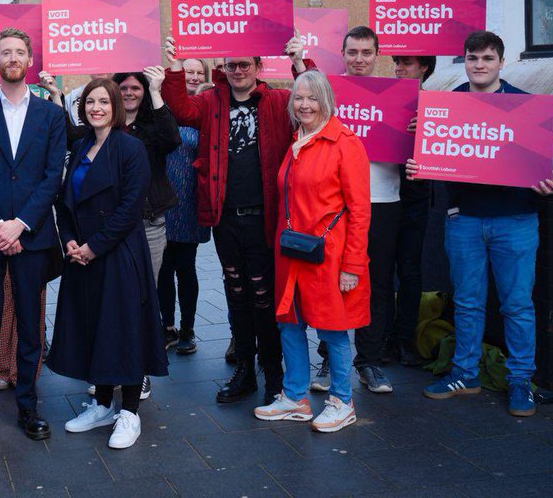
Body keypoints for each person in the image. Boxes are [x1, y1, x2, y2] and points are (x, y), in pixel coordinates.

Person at [412, 31, 553, 417]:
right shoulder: (447, 106)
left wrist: (551, 183)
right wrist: (420, 159)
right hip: (466, 221)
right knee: (467, 302)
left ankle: (520, 380)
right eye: (473, 57)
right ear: (464, 60)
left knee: (517, 306)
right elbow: (435, 158)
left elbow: (549, 163)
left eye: (487, 58)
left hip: (516, 220)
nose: (479, 64)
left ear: (501, 62)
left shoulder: (524, 107)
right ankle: (465, 373)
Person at [161, 35, 309, 405]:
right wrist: (175, 65)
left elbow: (314, 103)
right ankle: (244, 368)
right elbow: (179, 109)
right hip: (225, 217)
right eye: (232, 65)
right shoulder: (212, 101)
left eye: (245, 65)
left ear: (259, 68)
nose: (238, 71)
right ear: (223, 69)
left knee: (264, 296)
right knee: (236, 293)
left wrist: (300, 63)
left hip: (265, 217)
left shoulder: (277, 100)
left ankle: (273, 376)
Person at [0, 28, 66, 451]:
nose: (13, 57)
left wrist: (20, 224)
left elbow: (50, 176)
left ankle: (28, 405)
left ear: (30, 59)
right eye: (6, 52)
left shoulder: (51, 116)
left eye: (20, 52)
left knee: (30, 325)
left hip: (32, 236)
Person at [48, 78, 167, 449]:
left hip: (117, 254)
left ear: (115, 105)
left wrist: (92, 247)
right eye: (89, 102)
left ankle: (129, 413)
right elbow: (64, 201)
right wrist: (68, 239)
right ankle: (100, 405)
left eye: (103, 101)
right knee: (93, 328)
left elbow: (130, 209)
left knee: (125, 330)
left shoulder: (130, 148)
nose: (95, 107)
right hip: (82, 256)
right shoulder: (80, 145)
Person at [255, 69, 370, 433]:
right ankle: (296, 398)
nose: (305, 104)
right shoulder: (296, 141)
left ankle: (342, 401)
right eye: (299, 97)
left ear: (327, 101)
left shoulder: (344, 143)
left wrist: (352, 265)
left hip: (330, 256)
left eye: (312, 97)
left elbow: (360, 210)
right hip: (292, 253)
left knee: (333, 329)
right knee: (289, 323)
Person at [311, 26, 403, 396]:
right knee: (331, 282)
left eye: (366, 52)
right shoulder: (329, 94)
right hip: (336, 206)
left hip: (383, 201)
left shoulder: (398, 97)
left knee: (377, 283)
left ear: (377, 55)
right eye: (353, 52)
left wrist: (415, 132)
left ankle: (369, 362)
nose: (359, 59)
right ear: (343, 54)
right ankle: (330, 358)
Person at [112, 67, 180, 398]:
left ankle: (138, 370)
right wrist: (54, 93)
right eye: (123, 87)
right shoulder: (104, 124)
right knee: (114, 298)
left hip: (148, 224)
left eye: (135, 87)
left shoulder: (154, 126)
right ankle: (111, 365)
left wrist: (156, 90)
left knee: (141, 298)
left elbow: (173, 139)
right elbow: (71, 136)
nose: (129, 92)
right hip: (111, 228)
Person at [159, 57, 212, 356]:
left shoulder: (207, 108)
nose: (192, 76)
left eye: (197, 72)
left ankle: (188, 329)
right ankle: (167, 326)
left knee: (186, 267)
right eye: (187, 71)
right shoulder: (162, 106)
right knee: (163, 268)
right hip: (163, 199)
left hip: (191, 200)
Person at [388, 54, 437, 366]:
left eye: (407, 63)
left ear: (424, 68)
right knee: (379, 270)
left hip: (415, 196)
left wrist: (429, 129)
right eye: (398, 62)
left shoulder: (436, 105)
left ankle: (405, 338)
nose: (399, 67)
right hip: (382, 191)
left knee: (409, 269)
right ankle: (381, 338)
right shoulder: (387, 97)